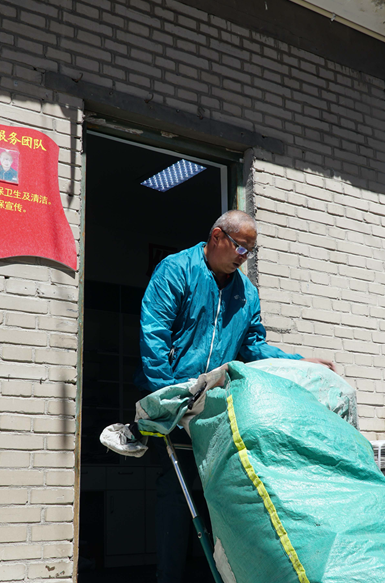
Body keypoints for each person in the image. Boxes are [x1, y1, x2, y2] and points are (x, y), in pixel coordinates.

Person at [137, 210, 336, 582]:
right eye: (240, 247)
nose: (244, 257)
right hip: (173, 401)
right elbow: (155, 335)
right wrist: (167, 399)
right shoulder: (176, 271)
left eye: (250, 251)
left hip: (213, 405)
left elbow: (254, 348)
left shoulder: (246, 293)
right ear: (217, 237)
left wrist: (299, 362)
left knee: (222, 492)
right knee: (177, 491)